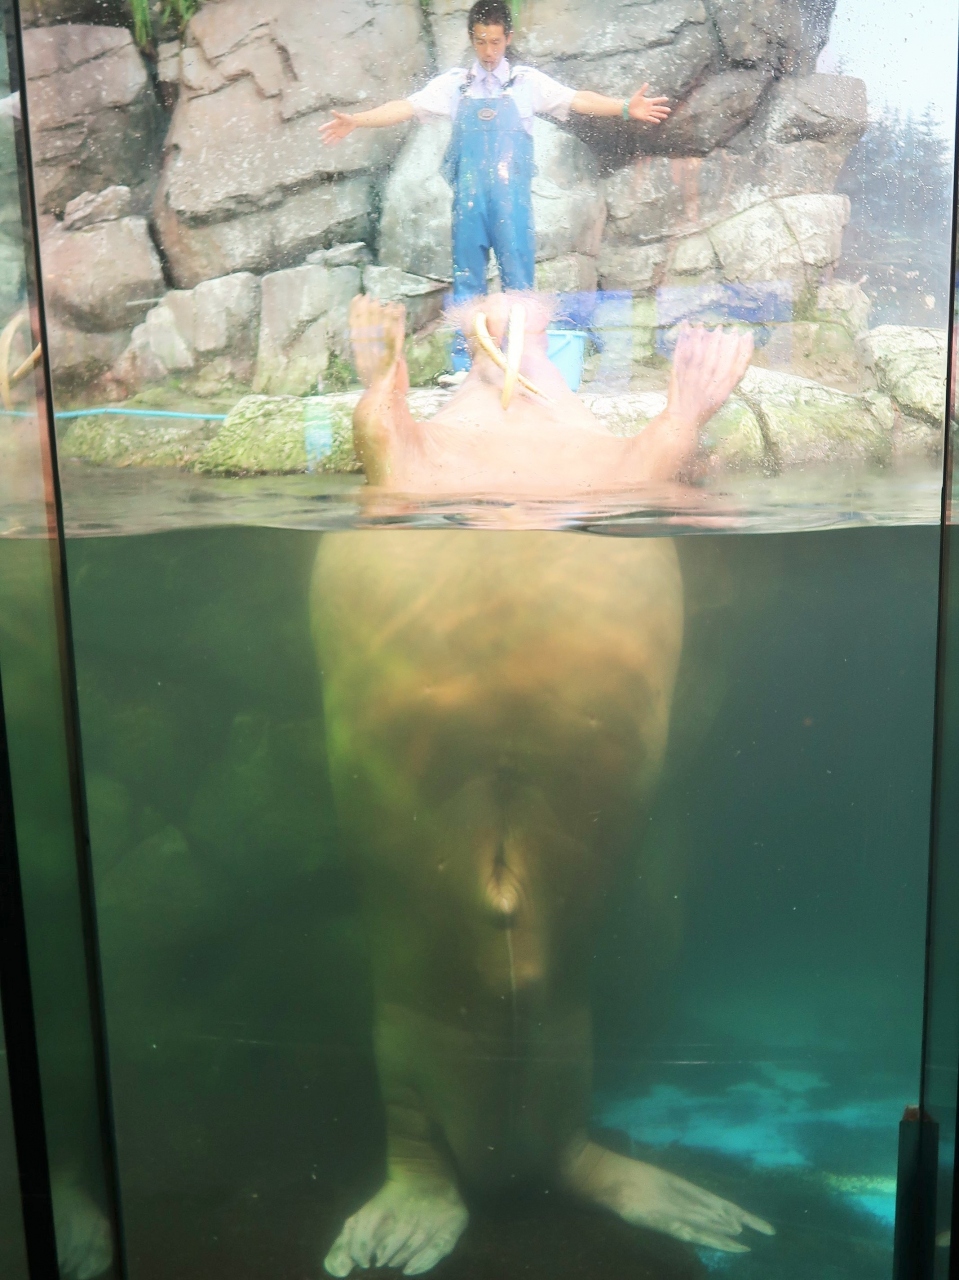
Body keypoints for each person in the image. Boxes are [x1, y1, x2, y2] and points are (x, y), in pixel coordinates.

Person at [319, 0, 670, 381]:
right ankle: (466, 368)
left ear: (508, 39)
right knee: (467, 283)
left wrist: (623, 107)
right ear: (472, 38)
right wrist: (357, 120)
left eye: (496, 43)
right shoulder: (455, 86)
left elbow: (576, 99)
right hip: (469, 205)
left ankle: (525, 366)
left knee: (519, 284)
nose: (489, 52)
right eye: (482, 42)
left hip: (512, 206)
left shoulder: (526, 83)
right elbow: (404, 107)